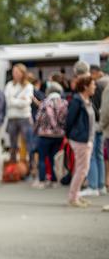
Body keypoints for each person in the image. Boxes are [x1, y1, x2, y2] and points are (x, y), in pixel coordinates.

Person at [65, 74, 97, 208]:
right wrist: (70, 135)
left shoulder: (87, 100)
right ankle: (73, 198)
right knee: (82, 169)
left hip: (86, 138)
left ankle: (75, 195)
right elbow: (69, 120)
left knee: (82, 168)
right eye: (92, 85)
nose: (94, 87)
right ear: (85, 87)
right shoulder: (77, 101)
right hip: (80, 139)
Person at [32, 82, 68, 189]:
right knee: (54, 158)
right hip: (59, 135)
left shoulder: (45, 103)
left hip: (45, 134)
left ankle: (42, 180)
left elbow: (38, 118)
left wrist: (35, 130)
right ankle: (54, 180)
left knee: (42, 158)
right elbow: (66, 119)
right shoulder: (64, 103)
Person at [3, 64, 34, 167]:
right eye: (13, 72)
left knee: (28, 143)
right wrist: (19, 100)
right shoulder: (9, 85)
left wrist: (13, 101)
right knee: (12, 145)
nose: (14, 74)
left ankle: (30, 167)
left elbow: (26, 102)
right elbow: (7, 101)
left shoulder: (28, 86)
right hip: (12, 118)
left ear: (22, 73)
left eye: (17, 72)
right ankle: (13, 168)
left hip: (24, 117)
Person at [83, 64, 106, 196]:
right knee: (99, 155)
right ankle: (101, 185)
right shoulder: (101, 87)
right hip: (101, 124)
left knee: (92, 156)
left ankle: (93, 186)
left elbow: (93, 109)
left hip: (94, 124)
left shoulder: (93, 88)